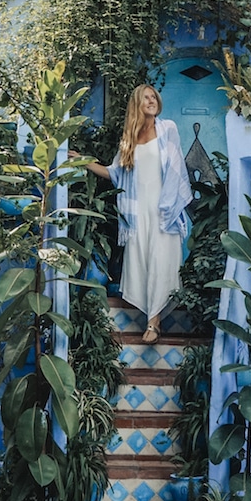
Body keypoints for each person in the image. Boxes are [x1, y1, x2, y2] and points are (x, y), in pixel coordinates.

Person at [78, 85, 192, 344]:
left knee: (162, 263)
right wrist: (83, 161)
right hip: (138, 213)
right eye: (146, 98)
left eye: (153, 97)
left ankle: (153, 323)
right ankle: (151, 317)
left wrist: (169, 207)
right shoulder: (129, 139)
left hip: (163, 211)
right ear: (137, 105)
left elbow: (176, 170)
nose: (151, 101)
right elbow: (114, 173)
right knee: (142, 264)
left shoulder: (168, 129)